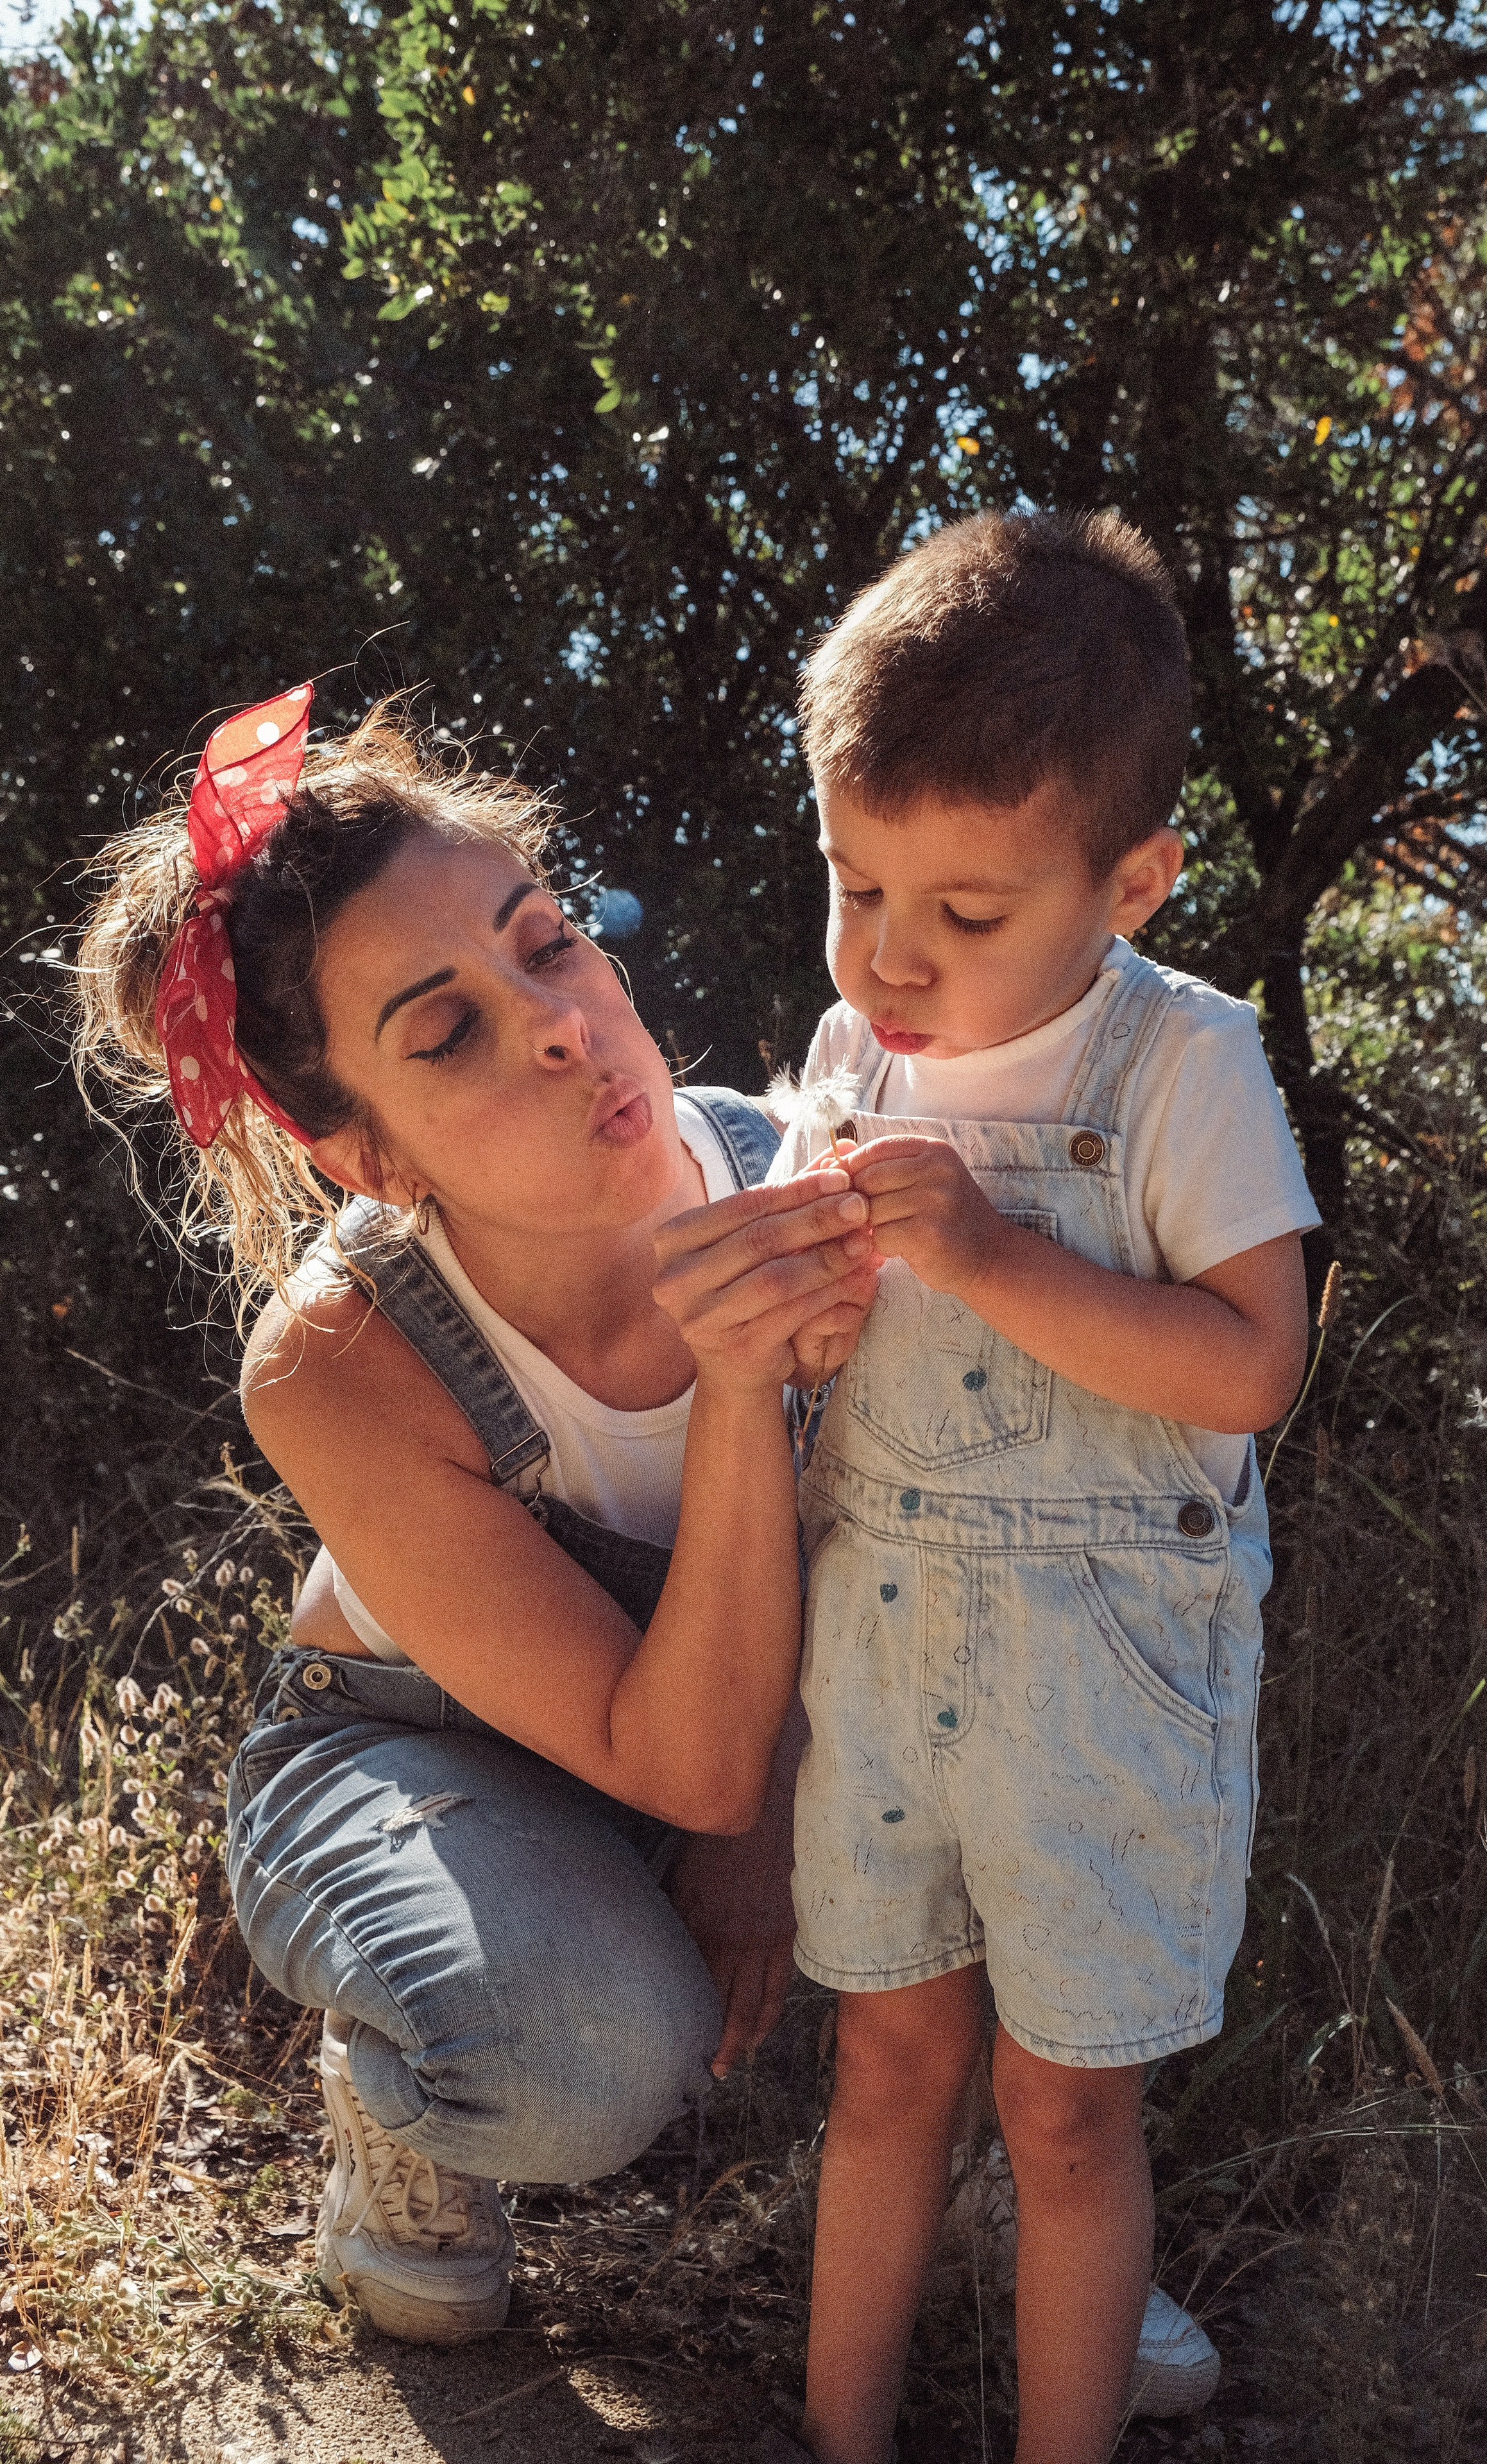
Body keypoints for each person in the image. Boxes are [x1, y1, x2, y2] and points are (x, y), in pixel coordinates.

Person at [73, 686, 879, 2344]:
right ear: (368, 1156)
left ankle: (1039, 2190)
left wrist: (761, 1829)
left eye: (547, 942)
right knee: (586, 2059)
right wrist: (739, 1384)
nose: (559, 1025)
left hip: (729, 1727)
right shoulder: (340, 1358)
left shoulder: (814, 1166)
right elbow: (695, 1768)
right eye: (445, 1035)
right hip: (410, 1753)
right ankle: (406, 2099)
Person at [770, 511, 1320, 2464]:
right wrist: (802, 1316)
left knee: (1068, 2109)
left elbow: (1253, 1366)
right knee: (885, 2058)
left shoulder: (1184, 1065)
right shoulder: (852, 1053)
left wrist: (992, 1257)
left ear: (1133, 882)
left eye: (968, 913)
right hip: (884, 1644)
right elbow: (818, 1363)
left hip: (1109, 1683)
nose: (892, 956)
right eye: (855, 885)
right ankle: (839, 2437)